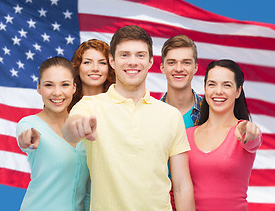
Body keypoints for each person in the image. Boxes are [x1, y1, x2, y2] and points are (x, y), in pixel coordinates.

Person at [62, 25, 195, 211]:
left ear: (150, 62)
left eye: (140, 55)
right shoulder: (90, 106)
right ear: (112, 61)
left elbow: (181, 185)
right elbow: (69, 130)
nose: (132, 62)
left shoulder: (171, 116)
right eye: (124, 55)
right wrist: (77, 127)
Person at [186, 59, 262, 211]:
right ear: (205, 89)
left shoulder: (243, 131)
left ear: (238, 91)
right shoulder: (187, 135)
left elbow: (253, 139)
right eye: (212, 84)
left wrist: (251, 129)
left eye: (227, 85)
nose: (218, 91)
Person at [16, 57, 90, 211]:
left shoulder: (83, 127)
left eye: (64, 85)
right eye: (49, 85)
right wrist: (28, 140)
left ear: (74, 88)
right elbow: (27, 139)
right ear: (39, 88)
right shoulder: (29, 125)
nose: (57, 93)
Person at [160, 34, 203, 127]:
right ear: (162, 68)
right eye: (172, 62)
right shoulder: (151, 113)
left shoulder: (210, 111)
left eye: (186, 62)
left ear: (195, 68)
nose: (179, 69)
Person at [68, 38, 115, 111]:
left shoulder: (121, 105)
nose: (95, 68)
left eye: (102, 63)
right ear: (77, 67)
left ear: (110, 68)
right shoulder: (65, 104)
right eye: (87, 62)